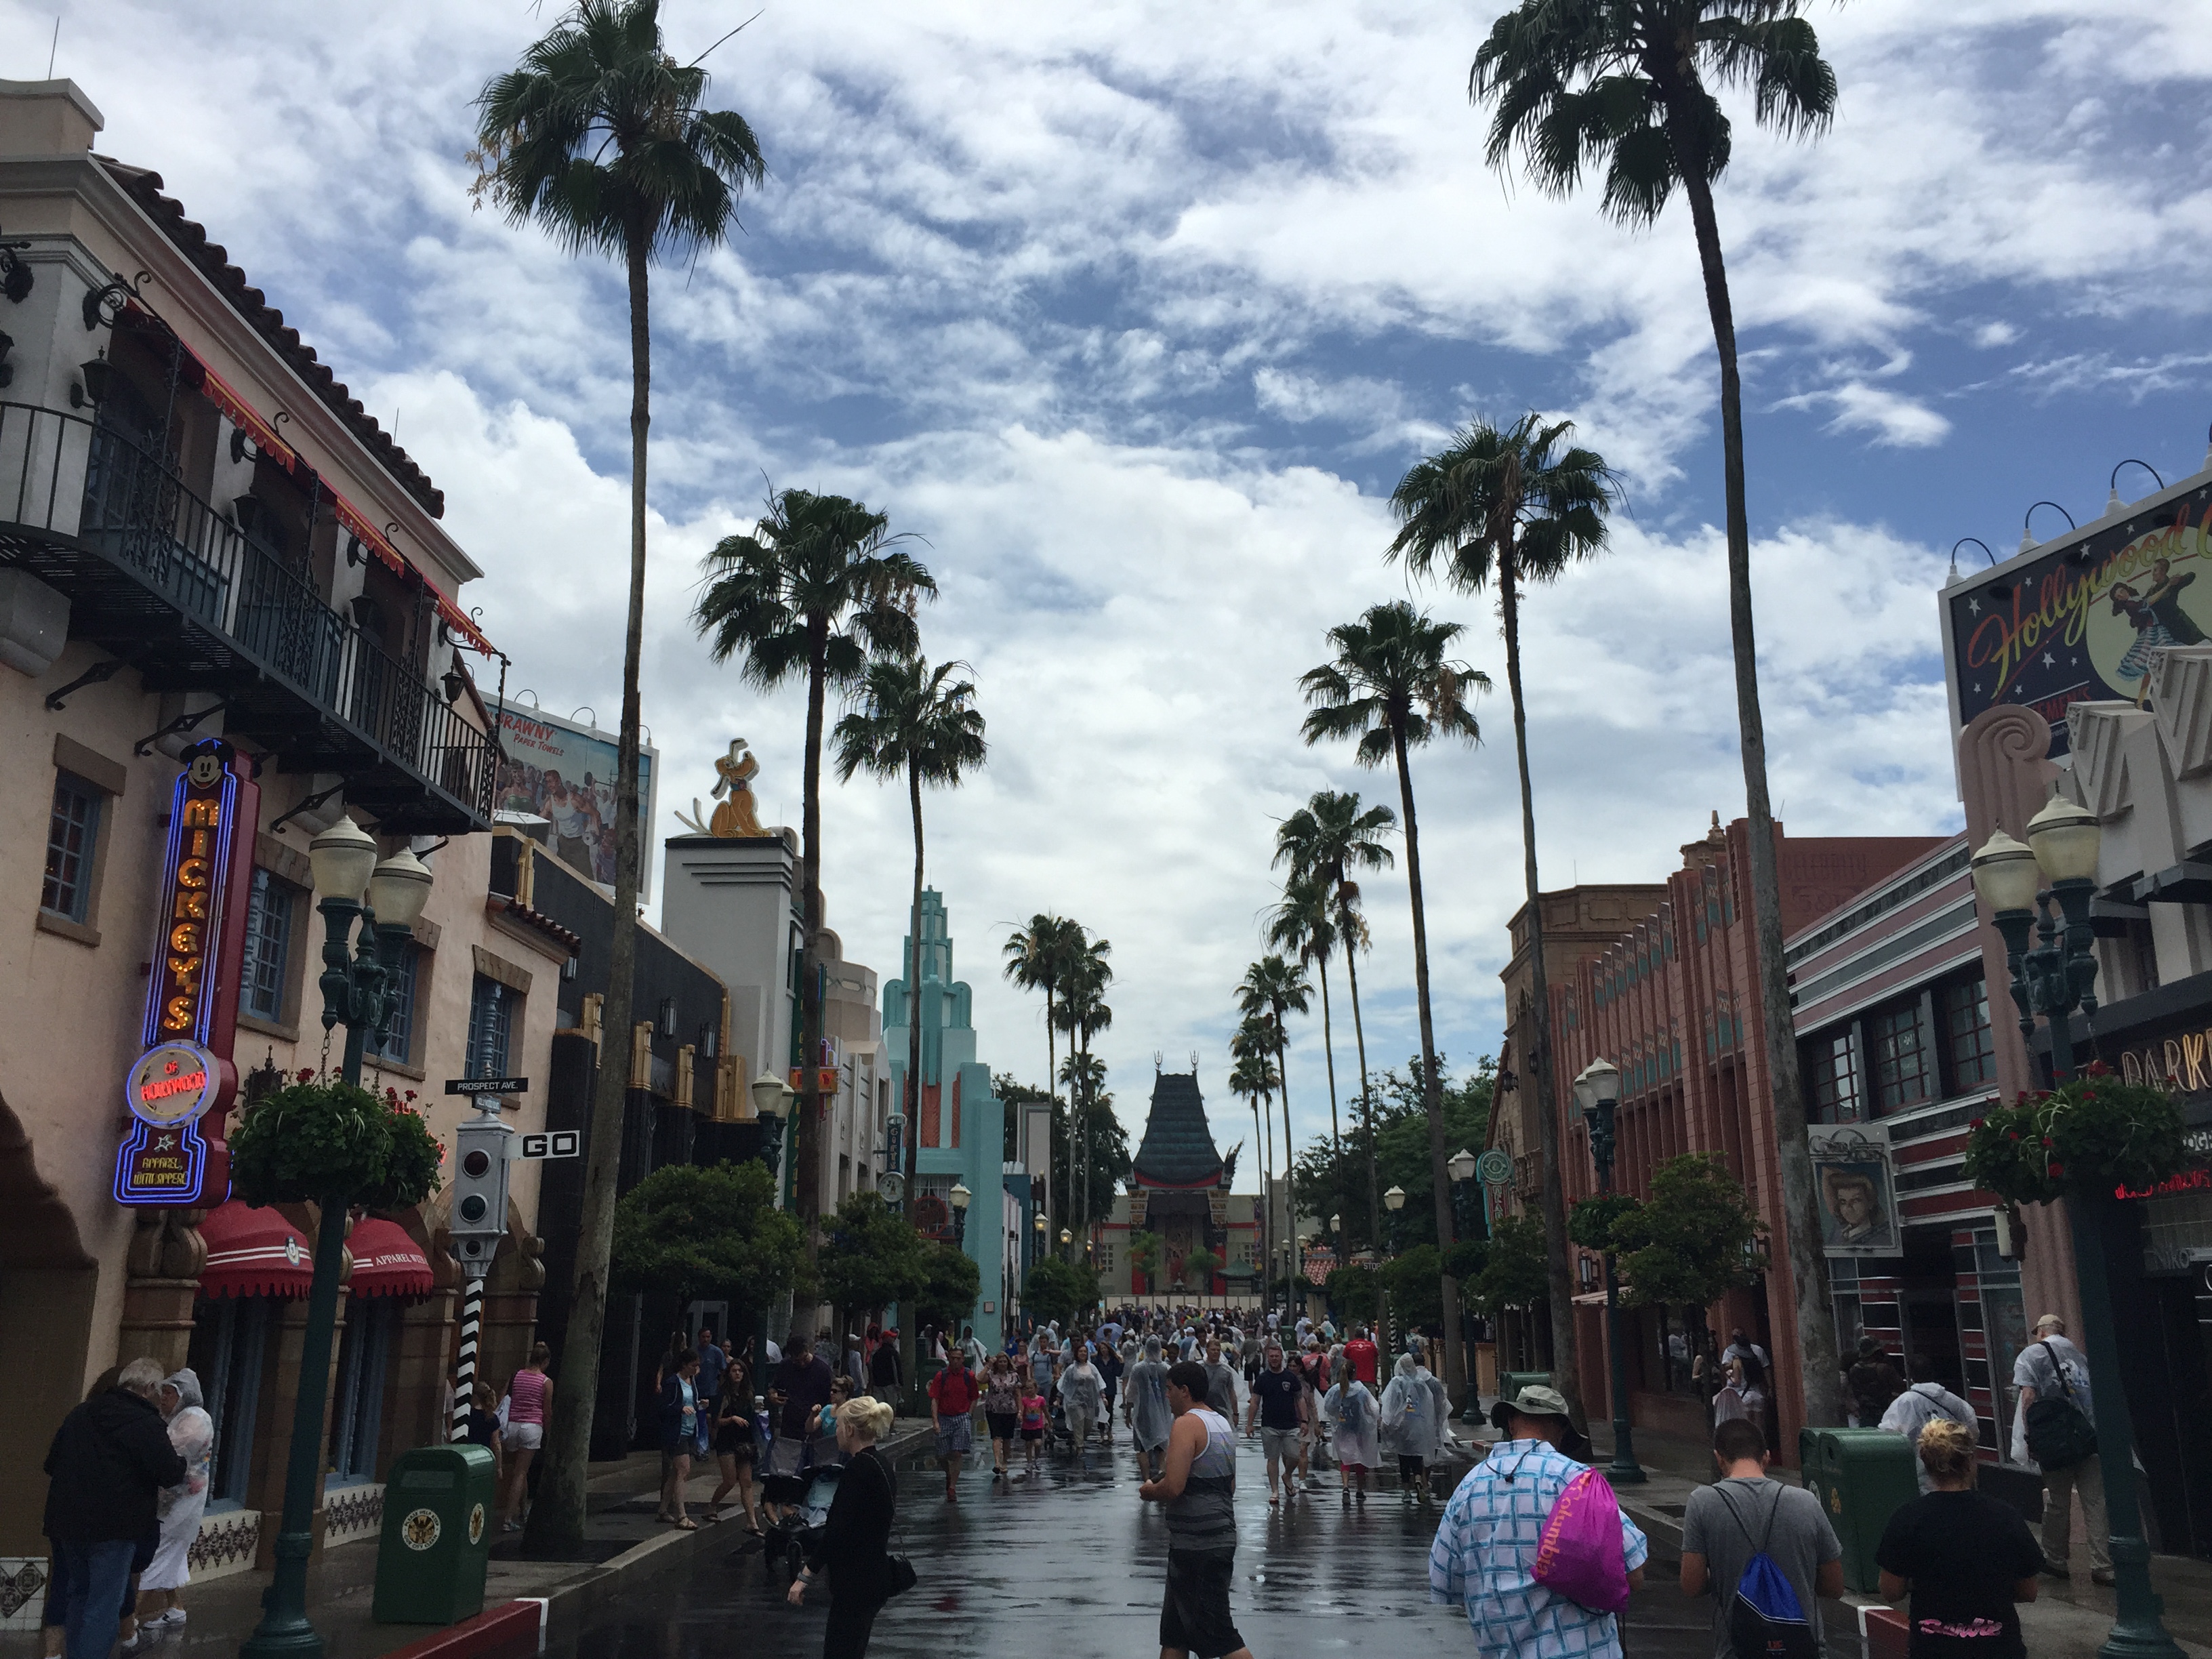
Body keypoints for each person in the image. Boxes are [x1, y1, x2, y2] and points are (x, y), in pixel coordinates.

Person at [1433, 1385, 1647, 1658]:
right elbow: (1633, 1574)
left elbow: (1445, 1582)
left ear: (1511, 1423)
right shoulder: (1578, 1481)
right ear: (1561, 1430)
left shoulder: (1468, 1487)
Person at [43, 1358, 186, 1659]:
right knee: (104, 1603)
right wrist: (184, 1462)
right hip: (115, 1526)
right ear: (149, 1388)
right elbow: (170, 1473)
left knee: (79, 1594)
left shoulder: (81, 1414)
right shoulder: (146, 1422)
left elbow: (51, 1464)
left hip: (67, 1521)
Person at [1877, 1418, 2045, 1659]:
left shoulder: (1907, 1519)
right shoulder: (2005, 1517)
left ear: (1925, 1462)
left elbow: (1891, 1591)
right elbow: (2029, 1592)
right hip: (1998, 1649)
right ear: (1970, 1461)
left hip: (1933, 1649)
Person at [1681, 1416, 1844, 1658]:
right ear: (1766, 1457)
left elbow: (1692, 1586)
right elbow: (1834, 1586)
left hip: (1737, 1650)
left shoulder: (1703, 1503)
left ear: (1719, 1458)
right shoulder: (1806, 1502)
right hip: (1804, 1648)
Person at [1139, 1361, 1254, 1659]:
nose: (1167, 1396)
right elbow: (1229, 1485)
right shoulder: (1221, 1423)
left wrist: (1150, 1491)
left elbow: (1174, 1487)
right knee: (1175, 1635)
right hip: (1214, 1535)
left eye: (1169, 1389)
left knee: (1221, 1635)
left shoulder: (1186, 1424)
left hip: (1198, 1544)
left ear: (1185, 1391)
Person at [787, 1396, 901, 1659]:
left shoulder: (857, 1470)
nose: (836, 1432)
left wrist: (805, 1577)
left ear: (850, 1430)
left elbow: (836, 1530)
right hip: (873, 1574)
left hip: (855, 1581)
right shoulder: (881, 1464)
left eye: (838, 1426)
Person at [2013, 1313, 2112, 1584]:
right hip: (2087, 1437)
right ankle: (2103, 1565)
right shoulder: (2081, 1356)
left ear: (2041, 1332)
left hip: (2055, 1441)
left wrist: (2029, 1436)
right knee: (2096, 1502)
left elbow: (2028, 1396)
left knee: (2058, 1501)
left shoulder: (2030, 1355)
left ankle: (2055, 1559)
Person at [132, 1370, 212, 1634]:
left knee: (157, 1555)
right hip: (173, 1500)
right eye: (163, 1392)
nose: (164, 1398)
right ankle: (175, 1607)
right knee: (171, 1555)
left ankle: (129, 1618)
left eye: (170, 1393)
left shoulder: (195, 1419)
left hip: (180, 1504)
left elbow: (168, 1449)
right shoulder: (176, 1418)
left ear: (184, 1396)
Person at [1878, 1357, 1976, 1494]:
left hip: (1921, 1473)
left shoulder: (1902, 1403)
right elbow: (1972, 1429)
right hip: (1956, 1469)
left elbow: (1887, 1439)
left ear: (1911, 1377)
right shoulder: (1954, 1401)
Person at [1246, 1341, 1307, 1507]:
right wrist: (1250, 1424)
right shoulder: (1262, 1379)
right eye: (1271, 1356)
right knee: (1272, 1459)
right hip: (1269, 1425)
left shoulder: (1290, 1378)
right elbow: (1255, 1402)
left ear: (1281, 1358)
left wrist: (1304, 1420)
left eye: (1276, 1356)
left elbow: (1300, 1399)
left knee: (1294, 1456)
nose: (1274, 1359)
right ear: (1268, 1358)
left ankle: (1287, 1475)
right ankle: (1275, 1491)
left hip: (1290, 1425)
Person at [499, 1341, 552, 1532]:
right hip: (532, 1427)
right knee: (520, 1473)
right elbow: (547, 1411)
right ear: (545, 1361)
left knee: (520, 1471)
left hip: (513, 1426)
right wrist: (549, 1433)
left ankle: (524, 1511)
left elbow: (503, 1399)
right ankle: (508, 1519)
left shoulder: (516, 1376)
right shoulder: (546, 1382)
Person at [1380, 1351, 1446, 1501]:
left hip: (1402, 1426)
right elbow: (1429, 1404)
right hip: (1418, 1425)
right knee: (1417, 1456)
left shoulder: (1397, 1382)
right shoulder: (1421, 1383)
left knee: (1404, 1458)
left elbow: (1390, 1404)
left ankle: (1406, 1491)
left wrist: (1387, 1422)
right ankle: (1418, 1479)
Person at [770, 1335, 836, 1479]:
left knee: (812, 1463)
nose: (801, 1364)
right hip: (791, 1421)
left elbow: (832, 1396)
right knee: (788, 1464)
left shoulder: (822, 1369)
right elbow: (774, 1387)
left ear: (808, 1350)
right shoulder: (786, 1366)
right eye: (796, 1361)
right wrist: (774, 1396)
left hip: (815, 1422)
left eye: (804, 1359)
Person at [708, 1355, 761, 1532]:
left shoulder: (748, 1394)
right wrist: (731, 1419)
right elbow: (716, 1422)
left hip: (744, 1441)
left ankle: (752, 1521)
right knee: (730, 1480)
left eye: (740, 1371)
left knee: (746, 1482)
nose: (737, 1374)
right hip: (727, 1441)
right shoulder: (723, 1395)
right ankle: (712, 1506)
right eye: (734, 1371)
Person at [1321, 1357, 1379, 1506]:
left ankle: (1346, 1487)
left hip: (1343, 1429)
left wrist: (1337, 1416)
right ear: (1355, 1373)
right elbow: (1372, 1409)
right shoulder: (1362, 1390)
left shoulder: (1336, 1390)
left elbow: (1328, 1407)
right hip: (1359, 1428)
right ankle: (1359, 1490)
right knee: (1360, 1458)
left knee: (1345, 1459)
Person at [659, 1348, 702, 1528]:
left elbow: (690, 1402)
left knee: (676, 1473)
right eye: (693, 1366)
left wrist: (698, 1405)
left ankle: (663, 1509)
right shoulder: (672, 1382)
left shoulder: (691, 1382)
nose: (696, 1369)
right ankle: (682, 1515)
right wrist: (680, 1409)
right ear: (684, 1365)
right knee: (684, 1470)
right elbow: (663, 1407)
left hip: (689, 1430)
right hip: (676, 1433)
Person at [928, 1349, 978, 1501]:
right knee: (942, 1455)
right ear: (949, 1359)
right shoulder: (941, 1376)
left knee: (957, 1453)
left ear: (963, 1359)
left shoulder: (969, 1376)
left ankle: (952, 1488)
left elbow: (974, 1397)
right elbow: (935, 1399)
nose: (956, 1361)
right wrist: (935, 1421)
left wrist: (969, 1414)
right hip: (944, 1417)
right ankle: (949, 1474)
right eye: (953, 1358)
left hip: (961, 1417)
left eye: (958, 1358)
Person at [1126, 1336, 1174, 1483]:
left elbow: (1131, 1393)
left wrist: (1128, 1413)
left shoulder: (1138, 1369)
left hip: (1142, 1412)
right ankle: (1161, 1474)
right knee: (1162, 1445)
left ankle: (1146, 1479)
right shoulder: (1167, 1369)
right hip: (1163, 1412)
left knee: (1142, 1448)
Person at [1059, 1342, 1105, 1464]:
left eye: (1085, 1351)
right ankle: (1080, 1448)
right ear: (1077, 1354)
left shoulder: (1092, 1368)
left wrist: (1103, 1396)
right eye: (1081, 1351)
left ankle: (1079, 1441)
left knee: (1088, 1426)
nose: (1083, 1353)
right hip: (1074, 1401)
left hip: (1089, 1402)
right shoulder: (1071, 1369)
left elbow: (1099, 1382)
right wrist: (1058, 1398)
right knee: (1078, 1423)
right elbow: (1064, 1384)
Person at [1712, 1355, 1769, 1450]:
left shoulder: (1737, 1361)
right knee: (1759, 1425)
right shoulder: (1753, 1362)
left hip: (1745, 1396)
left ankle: (1751, 1449)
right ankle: (1762, 1448)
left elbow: (1736, 1381)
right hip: (1757, 1395)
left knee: (1747, 1426)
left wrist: (1729, 1375)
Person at [1849, 1336, 1904, 1428]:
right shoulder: (1884, 1369)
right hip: (1885, 1414)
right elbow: (1900, 1387)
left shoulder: (1853, 1370)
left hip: (1865, 1415)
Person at [982, 1354, 1022, 1482]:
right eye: (1000, 1362)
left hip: (1009, 1410)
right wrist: (988, 1365)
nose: (1003, 1364)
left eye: (1005, 1361)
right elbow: (978, 1379)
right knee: (996, 1436)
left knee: (1007, 1438)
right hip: (993, 1409)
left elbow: (1018, 1394)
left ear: (1008, 1363)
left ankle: (1005, 1462)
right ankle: (997, 1463)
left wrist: (1020, 1410)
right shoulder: (991, 1374)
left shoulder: (1014, 1376)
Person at [1201, 1337, 1240, 1422]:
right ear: (1207, 1351)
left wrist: (1236, 1413)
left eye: (1218, 1350)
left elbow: (1231, 1392)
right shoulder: (1199, 1368)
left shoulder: (1226, 1370)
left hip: (1223, 1413)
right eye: (1213, 1350)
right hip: (1203, 1412)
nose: (1215, 1352)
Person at [1019, 1370, 1048, 1475]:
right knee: (1028, 1444)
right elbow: (1022, 1410)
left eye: (1031, 1388)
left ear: (1036, 1389)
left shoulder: (1041, 1400)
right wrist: (1020, 1415)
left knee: (1038, 1443)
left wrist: (1049, 1421)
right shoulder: (1024, 1400)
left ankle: (1037, 1458)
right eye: (1027, 1388)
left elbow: (1045, 1411)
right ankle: (1029, 1463)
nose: (1029, 1390)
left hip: (1037, 1426)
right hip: (1027, 1426)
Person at [867, 1328, 902, 1413]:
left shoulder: (876, 1353)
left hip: (877, 1384)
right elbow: (897, 1369)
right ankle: (890, 1422)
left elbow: (872, 1368)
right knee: (891, 1408)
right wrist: (900, 1383)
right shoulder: (893, 1353)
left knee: (879, 1408)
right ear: (887, 1339)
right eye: (892, 1338)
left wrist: (872, 1383)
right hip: (891, 1384)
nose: (894, 1339)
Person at [1343, 1324, 1379, 1389]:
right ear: (1364, 1335)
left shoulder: (1349, 1346)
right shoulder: (1372, 1346)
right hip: (1369, 1379)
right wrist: (1375, 1377)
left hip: (1354, 1381)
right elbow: (1375, 1363)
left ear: (1355, 1335)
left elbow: (1345, 1364)